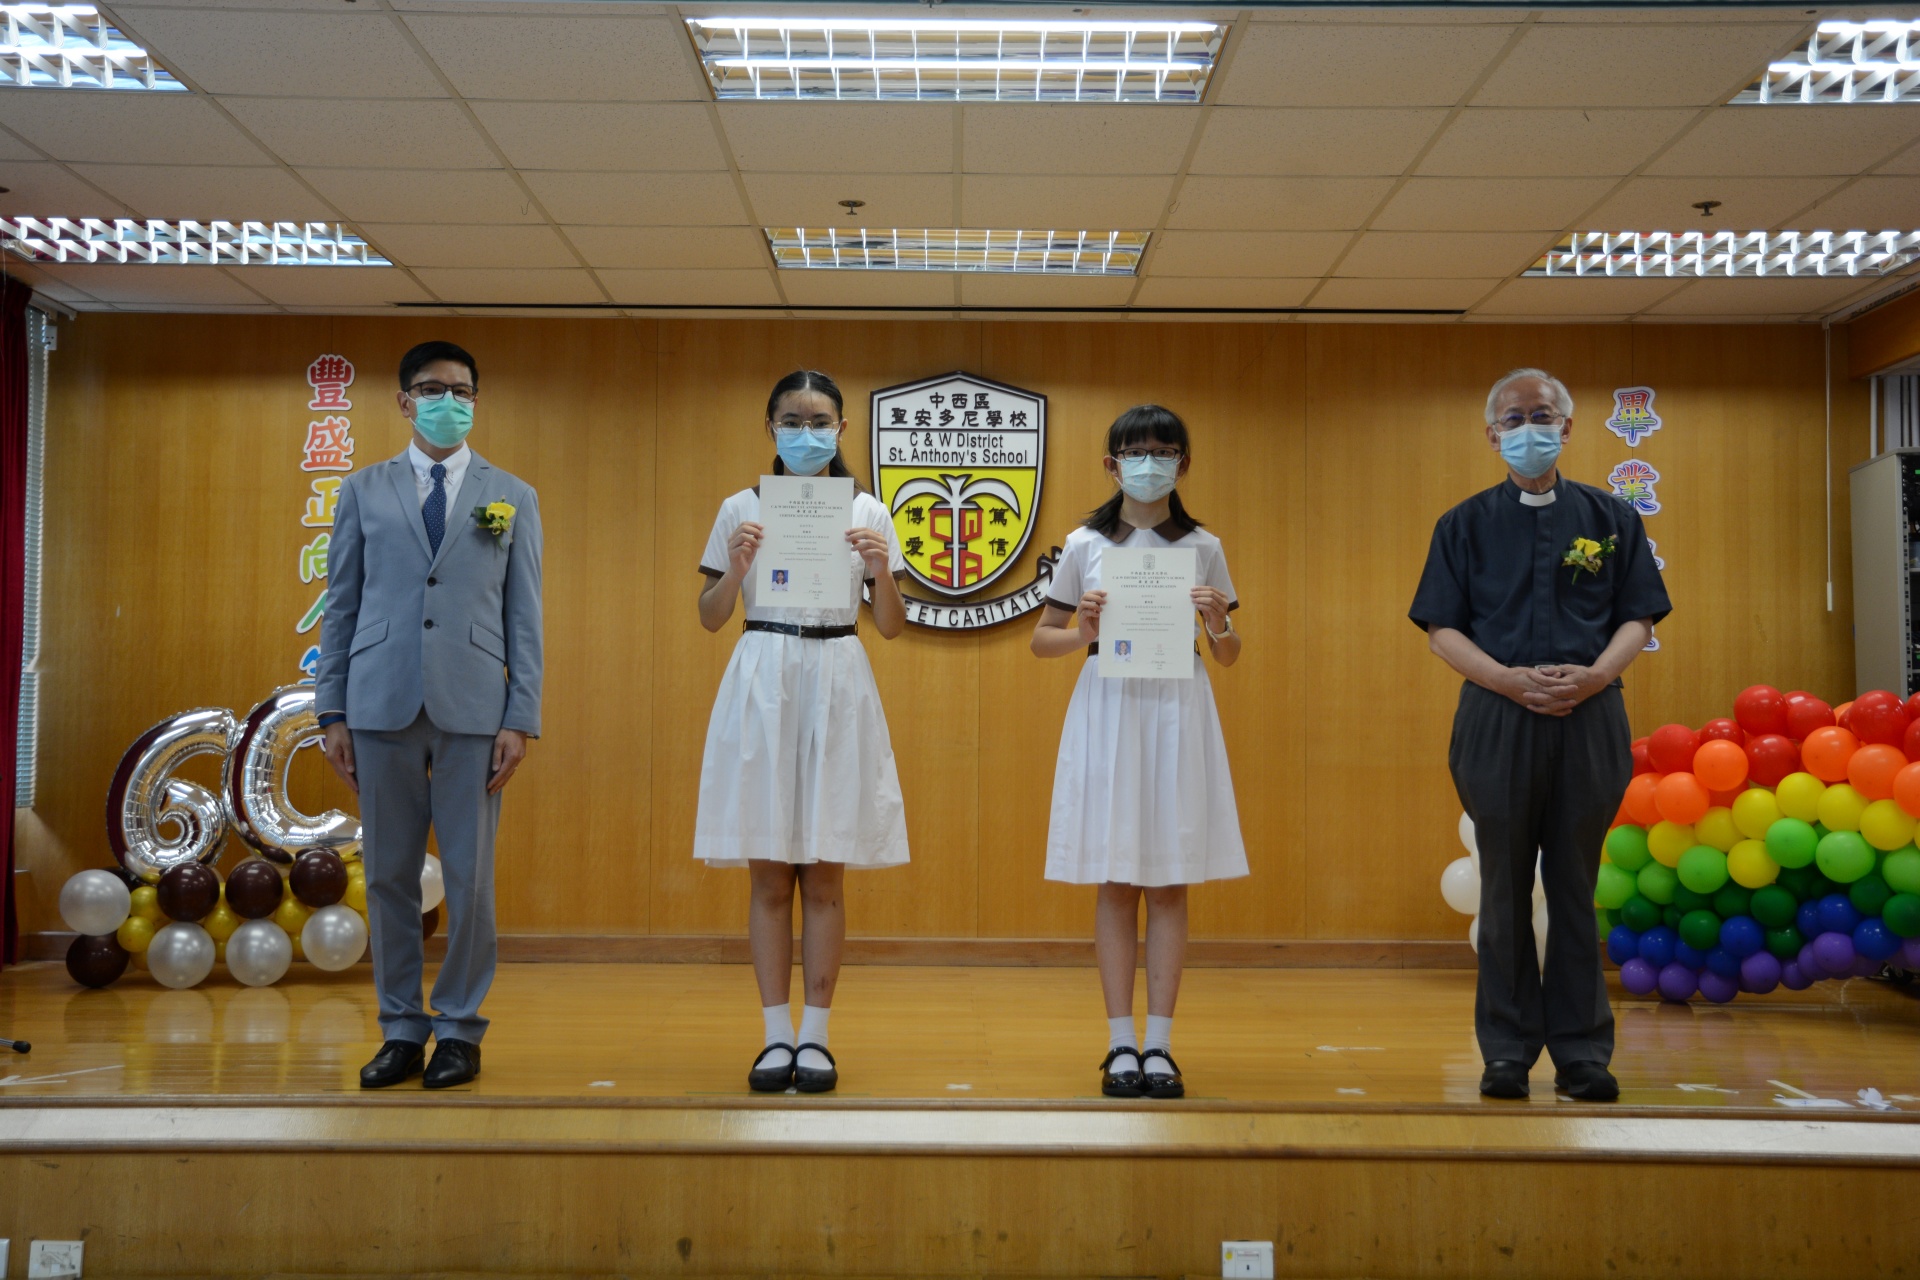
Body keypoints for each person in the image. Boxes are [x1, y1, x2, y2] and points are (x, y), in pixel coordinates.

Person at [1410, 368, 1670, 1102]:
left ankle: (1583, 1053)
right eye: (1515, 418)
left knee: (1575, 887)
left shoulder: (1612, 518)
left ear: (1568, 426)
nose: (1531, 428)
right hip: (1496, 718)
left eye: (1543, 415)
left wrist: (1595, 676)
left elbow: (1638, 617)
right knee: (1503, 888)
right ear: (1493, 435)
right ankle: (1506, 1050)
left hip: (1591, 716)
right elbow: (1441, 629)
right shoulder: (1461, 525)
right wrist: (1506, 679)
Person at [317, 340, 543, 1090]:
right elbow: (342, 604)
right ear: (404, 400)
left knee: (471, 879)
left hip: (475, 707)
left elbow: (525, 616)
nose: (449, 400)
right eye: (432, 388)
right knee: (388, 875)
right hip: (378, 701)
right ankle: (400, 1028)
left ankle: (459, 1029)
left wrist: (521, 715)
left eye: (462, 390)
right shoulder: (362, 489)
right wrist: (331, 709)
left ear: (476, 400)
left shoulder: (512, 494)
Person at [695, 369, 910, 1094]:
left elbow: (890, 626)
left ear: (842, 429)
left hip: (837, 675)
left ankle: (815, 1035)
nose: (807, 432)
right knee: (767, 873)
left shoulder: (868, 510)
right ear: (771, 427)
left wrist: (882, 571)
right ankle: (774, 1036)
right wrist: (737, 569)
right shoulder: (740, 507)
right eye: (793, 420)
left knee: (823, 871)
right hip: (763, 672)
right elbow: (711, 616)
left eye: (820, 421)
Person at [1031, 404, 1245, 1100]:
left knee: (1171, 880)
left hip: (1180, 705)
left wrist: (1217, 623)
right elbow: (1043, 640)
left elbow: (1229, 653)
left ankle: (1161, 1046)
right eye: (1135, 452)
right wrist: (1083, 630)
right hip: (1111, 704)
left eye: (1163, 452)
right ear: (1111, 463)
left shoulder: (1204, 545)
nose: (1148, 464)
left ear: (1184, 463)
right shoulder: (1084, 543)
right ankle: (1121, 1043)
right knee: (1117, 879)